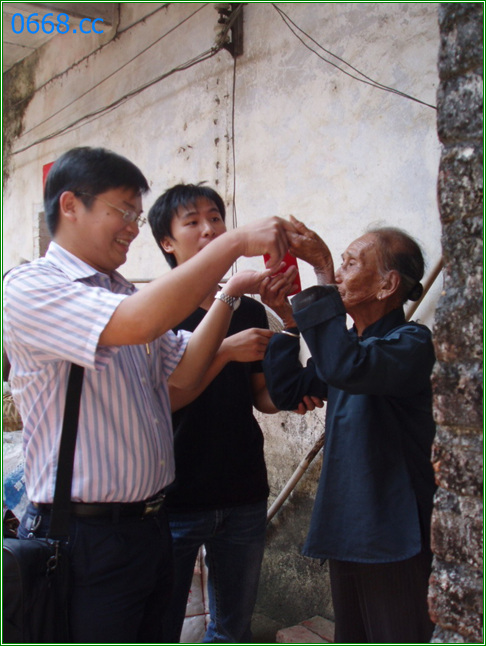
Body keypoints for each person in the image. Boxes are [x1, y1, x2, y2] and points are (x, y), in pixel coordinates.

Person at [2, 147, 295, 644]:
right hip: (85, 535)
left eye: (136, 216)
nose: (132, 228)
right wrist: (235, 243)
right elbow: (139, 325)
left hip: (149, 526)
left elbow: (186, 370)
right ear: (70, 205)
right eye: (123, 211)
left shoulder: (122, 293)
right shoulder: (32, 286)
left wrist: (234, 294)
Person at [147, 184, 322, 643]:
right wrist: (224, 350)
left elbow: (260, 397)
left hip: (242, 489)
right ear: (167, 242)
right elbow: (166, 400)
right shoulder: (157, 312)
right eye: (192, 222)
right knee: (158, 627)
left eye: (215, 218)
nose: (209, 229)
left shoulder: (250, 311)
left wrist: (292, 394)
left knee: (232, 628)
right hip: (174, 496)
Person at [261, 217, 437, 644]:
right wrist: (288, 323)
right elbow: (288, 391)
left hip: (394, 531)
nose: (339, 273)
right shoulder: (348, 346)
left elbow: (347, 367)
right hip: (347, 524)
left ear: (387, 285)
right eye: (338, 263)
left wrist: (320, 268)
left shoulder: (412, 343)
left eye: (350, 263)